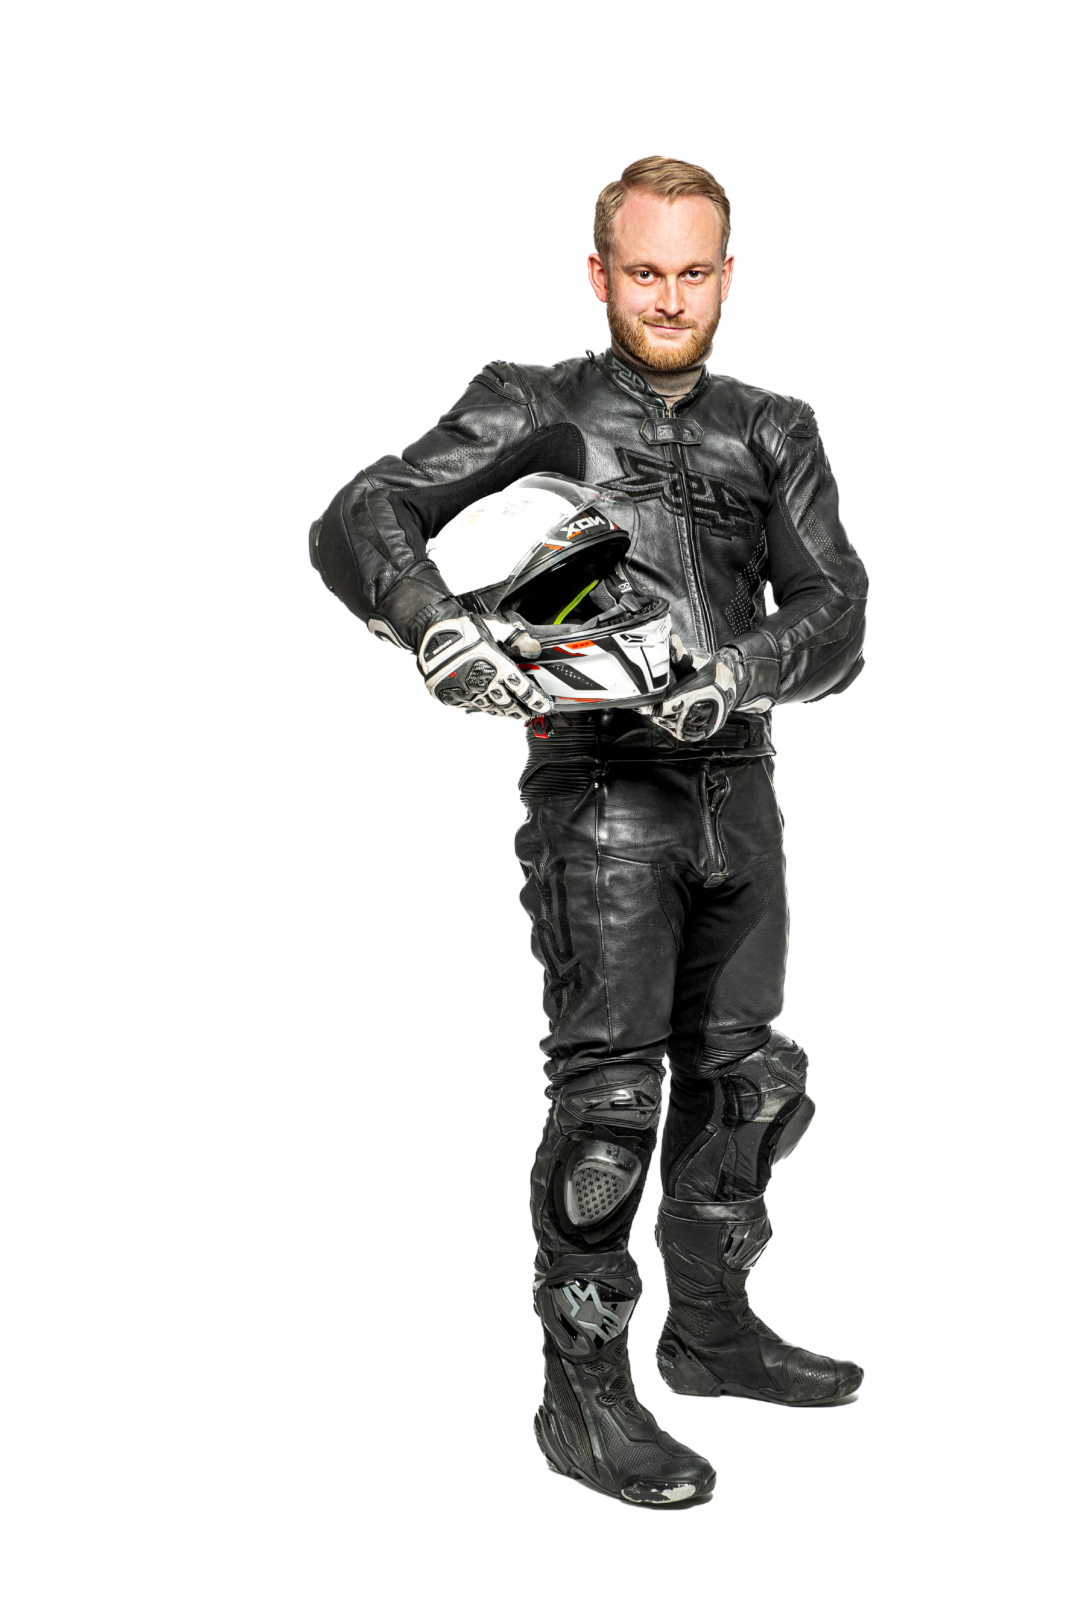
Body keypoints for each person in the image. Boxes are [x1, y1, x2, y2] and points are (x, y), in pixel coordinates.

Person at [307, 154, 869, 1512]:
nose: (669, 299)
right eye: (644, 272)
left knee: (748, 1081)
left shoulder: (775, 424)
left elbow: (839, 609)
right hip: (600, 788)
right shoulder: (532, 399)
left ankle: (711, 1337)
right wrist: (437, 626)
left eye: (694, 273)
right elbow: (358, 513)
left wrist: (732, 671)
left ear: (727, 278)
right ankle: (583, 1401)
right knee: (611, 1107)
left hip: (740, 774)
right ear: (598, 275)